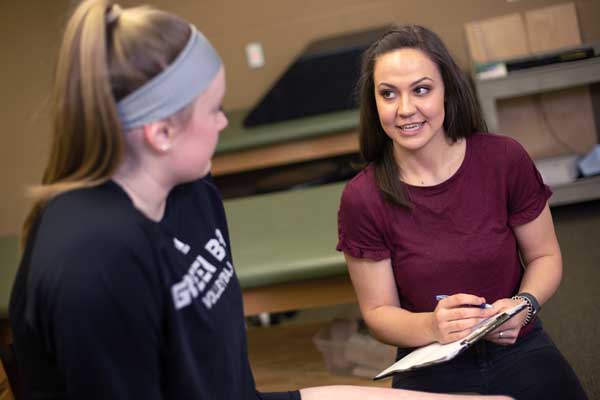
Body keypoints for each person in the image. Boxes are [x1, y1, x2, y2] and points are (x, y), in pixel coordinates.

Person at [7, 2, 514, 400]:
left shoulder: (194, 196)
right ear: (161, 131)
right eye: (215, 110)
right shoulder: (90, 268)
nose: (226, 124)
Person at [336, 24, 588, 399]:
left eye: (421, 89)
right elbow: (377, 312)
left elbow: (545, 255)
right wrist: (432, 326)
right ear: (374, 104)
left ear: (447, 90)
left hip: (515, 345)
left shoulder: (504, 159)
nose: (405, 109)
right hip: (429, 359)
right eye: (388, 94)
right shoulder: (362, 198)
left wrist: (525, 304)